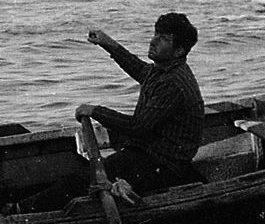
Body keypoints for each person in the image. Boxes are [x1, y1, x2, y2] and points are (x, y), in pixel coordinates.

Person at [72, 13, 207, 196]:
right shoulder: (164, 70)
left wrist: (96, 111)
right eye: (156, 34)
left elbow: (137, 127)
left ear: (179, 51)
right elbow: (139, 69)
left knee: (80, 181)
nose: (153, 41)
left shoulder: (173, 82)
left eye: (163, 39)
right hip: (149, 154)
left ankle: (22, 210)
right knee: (83, 178)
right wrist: (108, 43)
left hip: (162, 164)